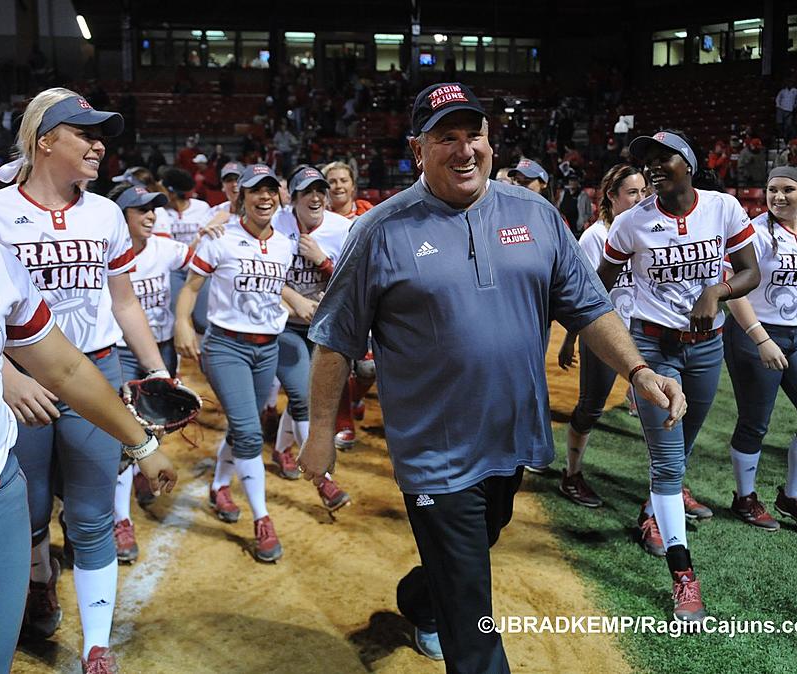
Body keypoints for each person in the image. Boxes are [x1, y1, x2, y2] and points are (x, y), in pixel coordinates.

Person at [299, 82, 687, 671]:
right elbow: (334, 341)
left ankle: (420, 598)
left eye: (473, 134)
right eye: (445, 138)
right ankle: (452, 616)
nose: (464, 150)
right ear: (417, 149)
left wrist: (638, 370)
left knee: (472, 551)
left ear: (490, 140)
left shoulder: (534, 215)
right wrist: (321, 431)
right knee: (474, 619)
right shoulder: (379, 230)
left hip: (513, 437)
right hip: (435, 449)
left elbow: (589, 306)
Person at [0, 87, 180, 673]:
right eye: (83, 132)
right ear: (45, 140)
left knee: (89, 513)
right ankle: (40, 581)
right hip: (20, 383)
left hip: (96, 372)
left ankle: (96, 646)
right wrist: (6, 373)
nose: (97, 142)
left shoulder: (106, 213)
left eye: (98, 133)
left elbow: (126, 302)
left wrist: (156, 369)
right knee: (30, 510)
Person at [598, 130, 760, 621]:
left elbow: (751, 271)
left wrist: (718, 292)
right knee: (669, 464)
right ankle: (683, 577)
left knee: (683, 448)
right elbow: (597, 286)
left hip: (707, 349)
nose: (651, 166)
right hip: (653, 348)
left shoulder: (723, 208)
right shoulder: (630, 223)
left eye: (661, 157)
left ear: (688, 162)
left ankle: (652, 512)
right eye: (645, 161)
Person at [175, 164, 297, 562]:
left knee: (244, 426)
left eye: (270, 191)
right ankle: (263, 520)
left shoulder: (285, 244)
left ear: (278, 197)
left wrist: (303, 305)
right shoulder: (220, 239)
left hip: (268, 349)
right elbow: (191, 290)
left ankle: (219, 485)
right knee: (248, 432)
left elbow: (279, 289)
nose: (264, 197)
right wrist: (182, 326)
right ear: (240, 198)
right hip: (226, 347)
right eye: (254, 191)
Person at [722, 167, 797, 537]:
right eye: (772, 189)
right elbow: (731, 289)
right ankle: (745, 498)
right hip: (755, 333)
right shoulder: (752, 233)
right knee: (755, 422)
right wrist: (760, 339)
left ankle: (793, 496)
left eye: (788, 189)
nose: (778, 197)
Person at [107, 183, 194, 562]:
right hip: (123, 352)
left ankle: (145, 468)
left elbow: (205, 263)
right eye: (140, 210)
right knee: (125, 438)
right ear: (120, 216)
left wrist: (220, 228)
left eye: (153, 210)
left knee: (158, 423)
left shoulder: (165, 247)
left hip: (159, 349)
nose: (150, 216)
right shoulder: (106, 251)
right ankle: (121, 520)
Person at [551, 164, 647, 505]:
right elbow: (583, 296)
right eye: (632, 192)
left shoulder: (650, 230)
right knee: (591, 407)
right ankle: (571, 474)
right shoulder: (594, 237)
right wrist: (570, 338)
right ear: (611, 196)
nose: (641, 198)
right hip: (607, 335)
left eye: (643, 191)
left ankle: (670, 485)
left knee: (661, 410)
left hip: (647, 332)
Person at [271, 165, 352, 511]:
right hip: (283, 325)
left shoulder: (342, 228)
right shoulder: (275, 225)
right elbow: (260, 273)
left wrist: (322, 262)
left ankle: (280, 449)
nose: (317, 197)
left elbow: (351, 279)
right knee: (304, 394)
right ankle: (323, 481)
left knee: (304, 394)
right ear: (294, 199)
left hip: (323, 327)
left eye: (321, 190)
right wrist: (295, 299)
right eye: (308, 192)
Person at [322, 159, 377, 449]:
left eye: (343, 180)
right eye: (332, 182)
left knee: (369, 369)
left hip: (367, 298)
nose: (338, 186)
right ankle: (343, 422)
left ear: (353, 185)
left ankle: (355, 394)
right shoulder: (317, 217)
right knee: (338, 364)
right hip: (334, 302)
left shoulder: (369, 212)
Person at [154, 167, 214, 332]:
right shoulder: (159, 211)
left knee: (203, 320)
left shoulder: (202, 207)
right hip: (174, 270)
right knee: (175, 317)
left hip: (199, 269)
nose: (159, 187)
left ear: (172, 193)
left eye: (163, 187)